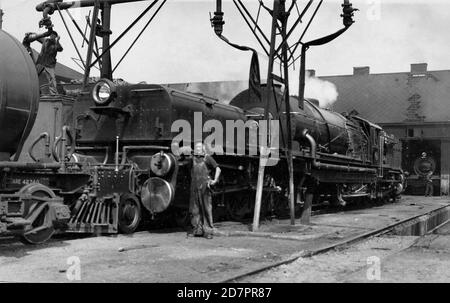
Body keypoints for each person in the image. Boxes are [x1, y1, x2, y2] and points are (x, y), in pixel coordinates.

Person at [184, 142, 221, 239]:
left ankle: (208, 231)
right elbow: (189, 171)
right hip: (194, 187)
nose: (198, 149)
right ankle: (197, 230)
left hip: (205, 187)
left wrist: (215, 180)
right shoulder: (192, 159)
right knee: (194, 209)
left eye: (199, 147)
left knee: (206, 209)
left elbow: (218, 169)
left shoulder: (207, 158)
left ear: (203, 149)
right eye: (196, 147)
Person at [36, 30, 63, 95]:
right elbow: (38, 37)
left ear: (55, 37)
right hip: (41, 62)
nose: (51, 36)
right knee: (34, 75)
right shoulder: (45, 41)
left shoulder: (55, 44)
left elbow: (60, 49)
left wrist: (58, 41)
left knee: (52, 78)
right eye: (51, 35)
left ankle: (54, 94)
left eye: (53, 35)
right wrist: (31, 34)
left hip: (49, 64)